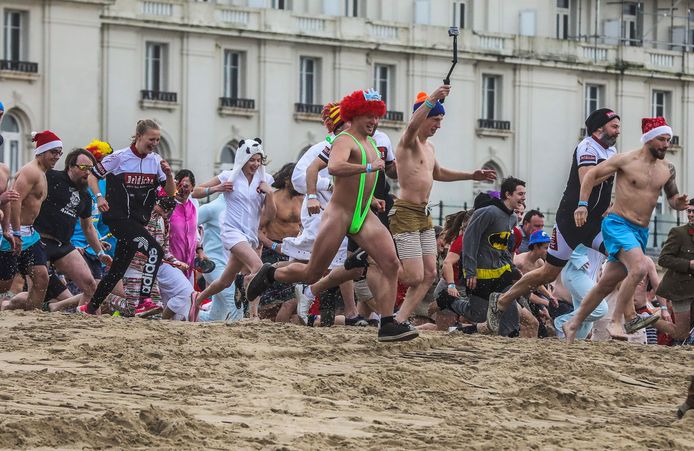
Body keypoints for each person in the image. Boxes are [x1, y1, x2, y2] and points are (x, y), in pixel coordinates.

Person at [247, 89, 417, 342]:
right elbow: (333, 167)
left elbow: (361, 183)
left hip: (362, 215)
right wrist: (315, 194)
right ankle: (271, 273)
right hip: (339, 215)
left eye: (377, 116)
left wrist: (371, 200)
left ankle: (388, 323)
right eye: (368, 116)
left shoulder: (371, 143)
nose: (374, 121)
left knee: (391, 263)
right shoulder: (344, 140)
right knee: (312, 273)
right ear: (354, 116)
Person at [487, 108, 621, 334]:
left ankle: (626, 317)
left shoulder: (612, 151)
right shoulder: (587, 147)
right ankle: (502, 300)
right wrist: (585, 203)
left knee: (622, 257)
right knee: (547, 273)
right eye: (614, 126)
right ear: (599, 128)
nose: (618, 131)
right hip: (572, 221)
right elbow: (586, 178)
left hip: (594, 224)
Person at [562, 117, 689, 343]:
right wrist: (582, 205)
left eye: (668, 139)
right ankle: (619, 320)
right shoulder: (625, 160)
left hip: (640, 232)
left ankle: (573, 323)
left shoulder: (668, 169)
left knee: (607, 283)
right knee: (640, 267)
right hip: (617, 224)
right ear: (649, 139)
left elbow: (672, 200)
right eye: (661, 139)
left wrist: (680, 202)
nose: (666, 144)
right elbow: (591, 175)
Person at [391, 86, 496, 324]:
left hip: (423, 214)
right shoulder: (408, 142)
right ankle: (379, 265)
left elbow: (438, 172)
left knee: (429, 274)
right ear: (423, 117)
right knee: (413, 275)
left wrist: (472, 175)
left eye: (441, 120)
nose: (439, 125)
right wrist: (432, 99)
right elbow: (411, 126)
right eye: (436, 119)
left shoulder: (430, 148)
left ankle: (398, 321)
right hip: (405, 211)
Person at [82, 119, 176, 315]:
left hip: (138, 221)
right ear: (139, 136)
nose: (154, 143)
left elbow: (169, 193)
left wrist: (168, 175)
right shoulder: (119, 158)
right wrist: (99, 197)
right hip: (118, 219)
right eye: (152, 139)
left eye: (158, 140)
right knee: (155, 251)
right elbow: (92, 175)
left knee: (118, 269)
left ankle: (90, 308)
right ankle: (144, 301)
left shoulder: (156, 161)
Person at [191, 138, 275, 321]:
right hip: (231, 232)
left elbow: (270, 215)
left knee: (225, 280)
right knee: (259, 268)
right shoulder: (228, 176)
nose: (255, 163)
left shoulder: (265, 180)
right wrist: (217, 188)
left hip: (250, 236)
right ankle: (253, 315)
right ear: (243, 159)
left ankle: (197, 300)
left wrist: (270, 194)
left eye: (258, 160)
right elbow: (195, 191)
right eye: (251, 159)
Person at [437, 179, 526, 337]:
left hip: (500, 273)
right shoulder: (488, 212)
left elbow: (503, 246)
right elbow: (469, 239)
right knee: (478, 315)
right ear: (508, 194)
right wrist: (470, 271)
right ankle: (447, 300)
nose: (523, 198)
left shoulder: (512, 218)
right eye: (520, 194)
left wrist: (511, 268)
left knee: (511, 315)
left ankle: (510, 338)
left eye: (524, 194)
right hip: (479, 274)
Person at [30, 148, 113, 310]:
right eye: (84, 168)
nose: (87, 173)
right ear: (70, 166)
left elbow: (88, 227)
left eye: (91, 169)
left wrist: (100, 253)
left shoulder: (85, 196)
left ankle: (85, 325)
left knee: (91, 286)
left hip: (63, 245)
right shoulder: (51, 177)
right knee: (37, 290)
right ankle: (11, 307)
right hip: (38, 241)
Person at [1, 130, 64, 310]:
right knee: (5, 285)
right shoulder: (31, 171)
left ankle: (31, 316)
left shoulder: (42, 173)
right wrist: (16, 232)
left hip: (30, 234)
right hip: (15, 233)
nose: (57, 156)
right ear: (42, 152)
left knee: (41, 277)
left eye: (60, 152)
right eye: (54, 152)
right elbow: (15, 200)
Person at [256, 163, 303, 321]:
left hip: (296, 251)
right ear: (288, 180)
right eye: (297, 178)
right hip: (274, 251)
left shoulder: (303, 199)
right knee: (275, 304)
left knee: (294, 304)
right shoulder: (273, 198)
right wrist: (275, 246)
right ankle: (273, 332)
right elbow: (257, 230)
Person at [196, 194, 241, 322]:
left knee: (216, 317)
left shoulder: (240, 207)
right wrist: (199, 249)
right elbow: (188, 224)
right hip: (212, 264)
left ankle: (183, 316)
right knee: (234, 298)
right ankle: (240, 333)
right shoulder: (213, 207)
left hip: (229, 265)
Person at [655, 199, 694, 343]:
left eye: (693, 211)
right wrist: (688, 264)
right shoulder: (678, 233)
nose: (690, 214)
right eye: (689, 211)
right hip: (680, 291)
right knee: (681, 333)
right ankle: (649, 320)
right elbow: (663, 259)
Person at [553, 245, 608, 340]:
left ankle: (567, 348)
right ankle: (563, 322)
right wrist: (577, 257)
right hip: (576, 272)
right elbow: (564, 237)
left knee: (584, 326)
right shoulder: (592, 229)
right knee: (599, 309)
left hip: (590, 278)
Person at [169, 169, 202, 280]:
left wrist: (200, 251)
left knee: (188, 296)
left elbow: (195, 233)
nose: (182, 189)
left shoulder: (193, 205)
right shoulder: (168, 205)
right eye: (179, 185)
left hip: (189, 265)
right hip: (171, 264)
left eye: (186, 186)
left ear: (192, 188)